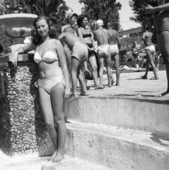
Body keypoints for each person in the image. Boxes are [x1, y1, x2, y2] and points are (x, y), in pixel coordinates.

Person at [9, 16, 71, 162]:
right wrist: (15, 52)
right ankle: (56, 149)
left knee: (58, 119)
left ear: (48, 26)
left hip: (56, 82)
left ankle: (60, 151)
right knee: (49, 122)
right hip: (42, 84)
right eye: (39, 27)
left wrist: (68, 86)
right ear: (36, 29)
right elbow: (24, 48)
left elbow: (64, 66)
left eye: (43, 26)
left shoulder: (55, 43)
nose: (41, 29)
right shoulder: (36, 45)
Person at [146, 0, 169, 97]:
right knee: (167, 60)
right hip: (159, 28)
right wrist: (154, 30)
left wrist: (154, 9)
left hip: (168, 26)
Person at [59, 27, 89, 99]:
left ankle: (74, 93)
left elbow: (57, 40)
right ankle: (84, 90)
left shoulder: (64, 34)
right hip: (85, 49)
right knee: (78, 72)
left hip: (78, 48)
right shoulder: (75, 37)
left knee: (73, 71)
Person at [76, 14, 102, 89]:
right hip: (84, 48)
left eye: (87, 20)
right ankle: (83, 86)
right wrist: (87, 47)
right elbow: (81, 39)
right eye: (84, 20)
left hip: (91, 49)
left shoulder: (89, 29)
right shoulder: (79, 29)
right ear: (80, 21)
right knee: (84, 68)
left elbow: (92, 39)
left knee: (95, 66)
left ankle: (96, 84)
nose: (86, 21)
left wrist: (94, 47)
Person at [93, 19, 112, 87]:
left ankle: (101, 83)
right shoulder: (107, 31)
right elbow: (109, 40)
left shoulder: (95, 32)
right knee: (108, 67)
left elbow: (95, 40)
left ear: (97, 25)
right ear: (102, 24)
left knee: (101, 67)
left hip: (100, 48)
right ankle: (109, 83)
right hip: (106, 47)